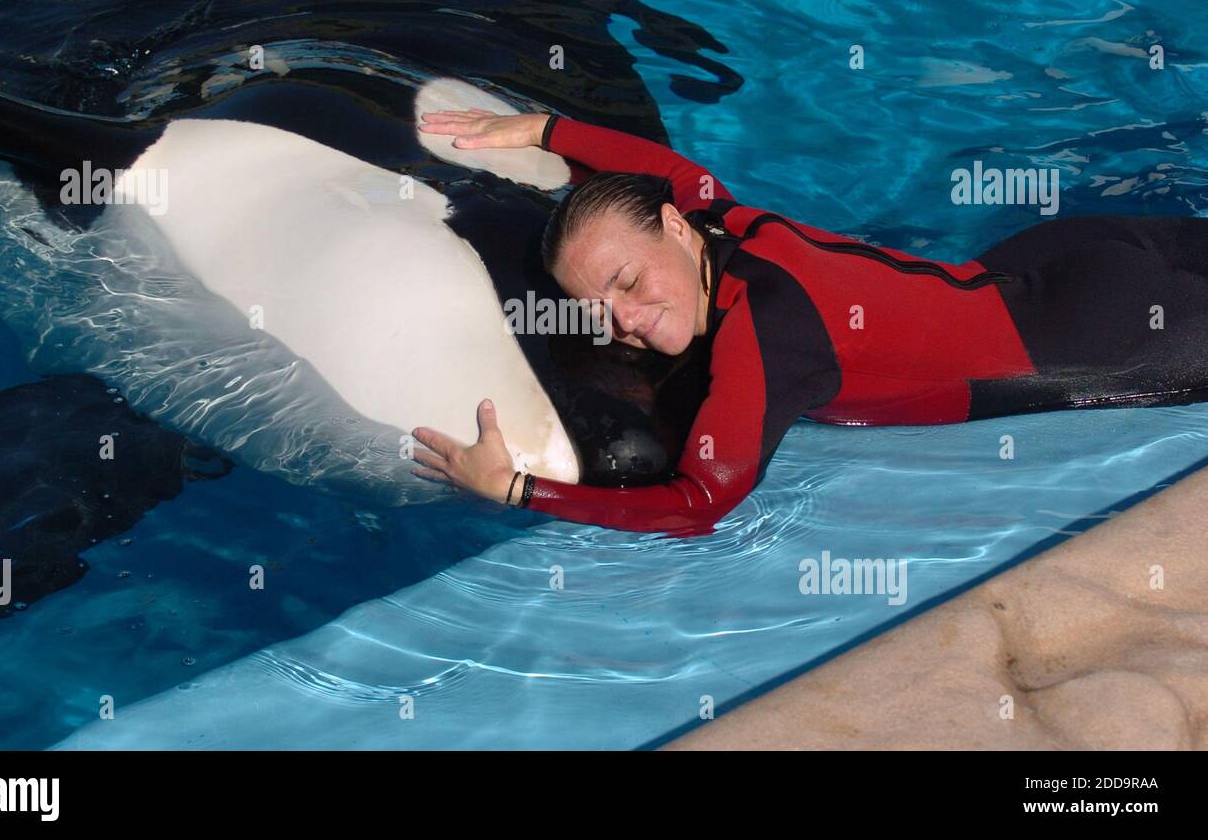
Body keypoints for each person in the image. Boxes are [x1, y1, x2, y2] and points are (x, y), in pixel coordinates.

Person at [411, 108, 1208, 538]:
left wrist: (518, 488)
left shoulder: (770, 332)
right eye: (600, 312)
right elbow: (673, 173)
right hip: (1068, 256)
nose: (624, 320)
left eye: (628, 281)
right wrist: (547, 130)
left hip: (1115, 343)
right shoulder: (724, 219)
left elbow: (696, 503)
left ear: (678, 234)